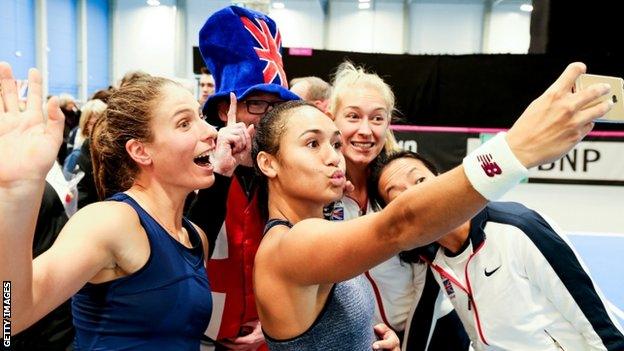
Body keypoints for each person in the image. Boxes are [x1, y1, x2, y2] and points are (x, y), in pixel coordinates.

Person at [250, 58, 614, 350]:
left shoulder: (322, 224)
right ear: (268, 163)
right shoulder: (290, 246)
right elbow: (400, 224)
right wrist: (515, 149)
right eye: (313, 144)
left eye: (334, 144)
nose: (334, 157)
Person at [0, 61, 251, 349]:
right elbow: (9, 318)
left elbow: (204, 222)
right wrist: (15, 194)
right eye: (184, 123)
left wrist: (224, 172)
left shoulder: (190, 236)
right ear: (140, 151)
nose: (210, 131)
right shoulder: (110, 223)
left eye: (200, 116)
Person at [370, 150, 624, 350]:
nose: (415, 195)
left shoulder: (518, 228)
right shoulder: (435, 257)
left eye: (420, 180)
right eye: (398, 196)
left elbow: (600, 324)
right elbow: (427, 313)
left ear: (442, 181)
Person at [325, 61, 469, 350]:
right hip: (370, 339)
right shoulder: (319, 192)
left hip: (432, 329)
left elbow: (430, 283)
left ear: (388, 123)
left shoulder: (401, 184)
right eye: (353, 116)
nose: (365, 130)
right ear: (332, 119)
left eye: (377, 119)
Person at [188, 6, 298, 350]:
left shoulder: (291, 171)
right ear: (225, 110)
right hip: (199, 335)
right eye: (256, 104)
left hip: (273, 335)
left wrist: (275, 325)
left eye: (275, 107)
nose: (267, 118)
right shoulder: (192, 168)